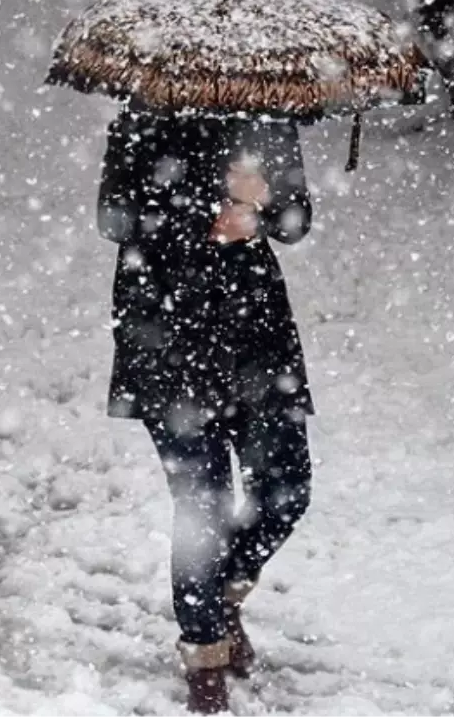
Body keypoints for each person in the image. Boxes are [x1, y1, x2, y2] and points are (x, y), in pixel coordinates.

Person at [97, 105, 314, 714]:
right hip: (167, 337)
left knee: (287, 488)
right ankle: (204, 658)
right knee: (203, 508)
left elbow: (296, 223)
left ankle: (218, 598)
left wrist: (263, 204)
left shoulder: (268, 119)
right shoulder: (141, 121)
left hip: (257, 341)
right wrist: (210, 209)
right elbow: (115, 220)